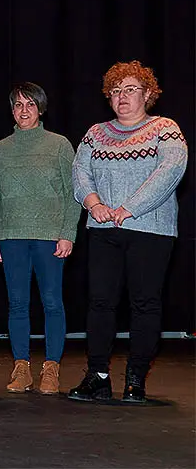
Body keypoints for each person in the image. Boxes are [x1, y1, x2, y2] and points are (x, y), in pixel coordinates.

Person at [68, 61, 187, 404]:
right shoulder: (95, 133)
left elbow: (169, 172)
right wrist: (93, 204)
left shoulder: (165, 129)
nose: (122, 97)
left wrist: (128, 208)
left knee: (145, 303)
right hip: (102, 227)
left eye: (131, 89)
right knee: (100, 302)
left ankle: (136, 378)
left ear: (148, 94)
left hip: (150, 230)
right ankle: (98, 376)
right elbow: (80, 172)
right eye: (115, 91)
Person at [0, 82, 80, 395]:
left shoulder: (59, 145)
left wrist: (67, 233)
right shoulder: (0, 148)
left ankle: (51, 368)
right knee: (17, 304)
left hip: (49, 237)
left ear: (40, 109)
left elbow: (73, 194)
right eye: (18, 104)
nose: (24, 110)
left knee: (52, 302)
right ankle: (21, 367)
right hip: (11, 236)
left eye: (30, 104)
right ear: (11, 110)